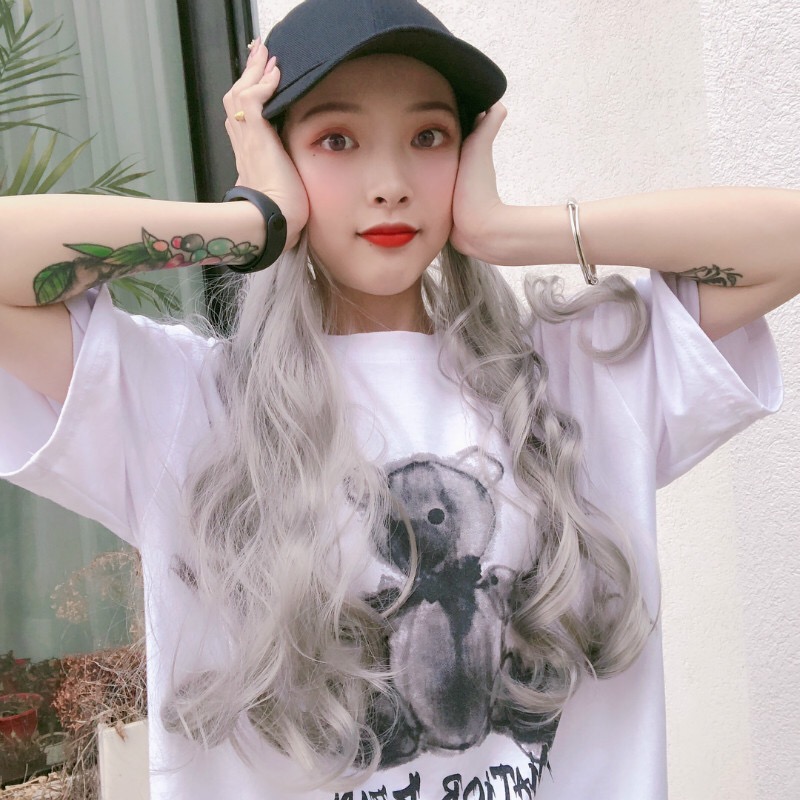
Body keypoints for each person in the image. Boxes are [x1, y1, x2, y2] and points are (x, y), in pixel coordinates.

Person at [0, 0, 794, 797]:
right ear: (278, 157)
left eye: (428, 138)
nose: (390, 186)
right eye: (336, 140)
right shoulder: (187, 402)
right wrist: (253, 221)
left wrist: (503, 231)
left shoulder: (570, 376)